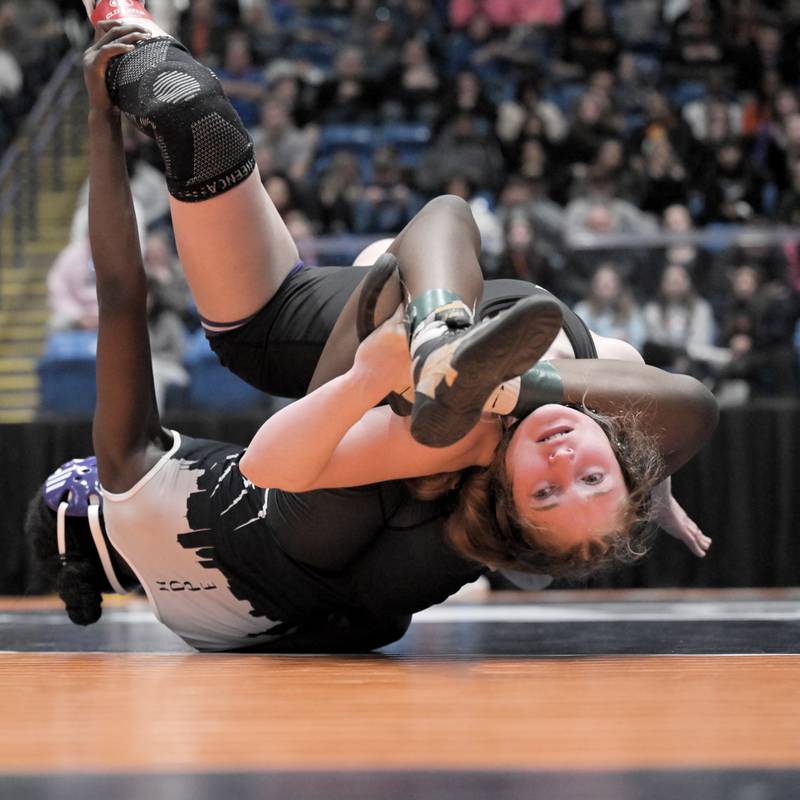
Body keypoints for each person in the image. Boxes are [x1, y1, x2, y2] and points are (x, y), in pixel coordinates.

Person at [79, 11, 716, 578]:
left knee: (189, 111)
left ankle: (118, 17)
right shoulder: (618, 375)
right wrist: (655, 487)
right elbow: (675, 418)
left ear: (508, 493)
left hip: (272, 321)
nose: (562, 460)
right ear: (624, 457)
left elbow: (266, 467)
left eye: (546, 493)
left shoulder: (462, 440)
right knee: (442, 250)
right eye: (593, 477)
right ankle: (440, 337)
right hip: (348, 290)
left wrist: (100, 120)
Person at [26, 21, 490, 652]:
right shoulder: (123, 478)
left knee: (481, 490)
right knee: (412, 248)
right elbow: (119, 295)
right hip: (304, 512)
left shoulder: (187, 626)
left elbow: (369, 627)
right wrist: (100, 127)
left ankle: (515, 506)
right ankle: (445, 345)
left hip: (376, 587)